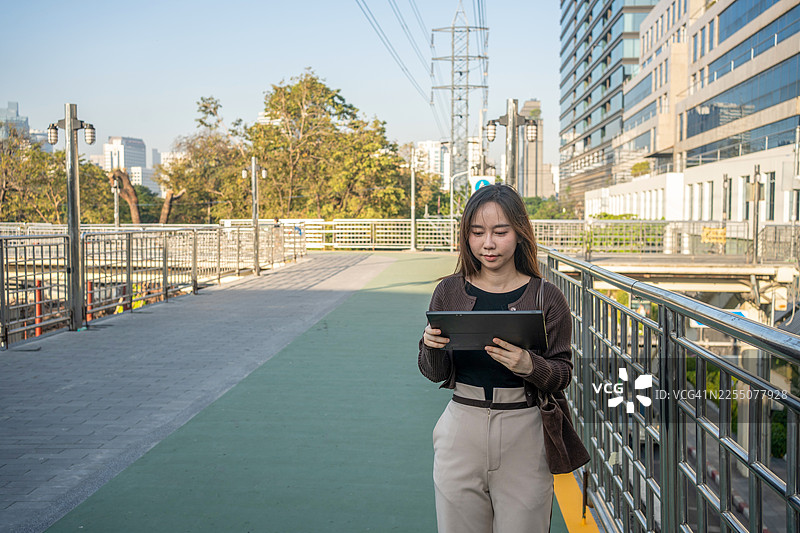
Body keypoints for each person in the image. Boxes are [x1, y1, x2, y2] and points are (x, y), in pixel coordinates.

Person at [418, 184, 573, 533]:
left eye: (500, 232)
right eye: (477, 232)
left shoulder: (547, 296)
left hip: (525, 429)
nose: (488, 243)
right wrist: (430, 346)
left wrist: (530, 366)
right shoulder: (448, 291)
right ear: (466, 236)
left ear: (520, 233)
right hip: (461, 425)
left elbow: (563, 373)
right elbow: (433, 372)